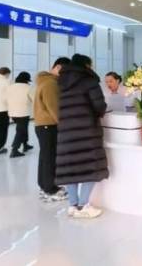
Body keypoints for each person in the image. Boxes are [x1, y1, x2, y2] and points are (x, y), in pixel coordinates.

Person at [55, 54, 108, 219]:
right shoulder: (89, 81)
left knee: (71, 168)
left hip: (66, 131)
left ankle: (72, 205)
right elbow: (99, 105)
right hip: (86, 131)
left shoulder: (61, 82)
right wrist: (101, 110)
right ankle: (84, 205)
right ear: (86, 65)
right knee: (90, 167)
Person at [34, 57, 71, 202]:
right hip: (48, 125)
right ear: (58, 67)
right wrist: (64, 124)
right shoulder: (50, 84)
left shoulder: (44, 81)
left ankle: (44, 186)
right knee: (49, 157)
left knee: (45, 157)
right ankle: (50, 189)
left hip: (42, 125)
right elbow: (54, 108)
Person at [6, 72, 35, 158]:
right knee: (21, 130)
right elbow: (34, 99)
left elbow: (6, 98)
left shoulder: (10, 87)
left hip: (12, 112)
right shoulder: (28, 88)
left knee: (23, 128)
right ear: (26, 80)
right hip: (23, 112)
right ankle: (14, 150)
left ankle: (25, 144)